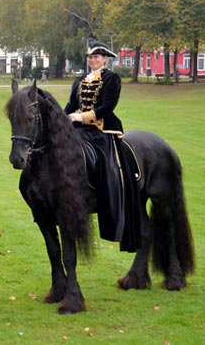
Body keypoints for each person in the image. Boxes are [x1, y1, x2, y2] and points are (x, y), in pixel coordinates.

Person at [64, 40, 141, 252]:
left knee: (106, 164)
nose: (93, 60)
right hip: (79, 128)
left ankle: (109, 199)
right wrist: (60, 120)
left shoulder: (111, 78)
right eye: (90, 57)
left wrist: (81, 117)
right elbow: (72, 104)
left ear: (105, 59)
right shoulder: (81, 79)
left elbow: (108, 106)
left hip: (102, 128)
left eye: (96, 57)